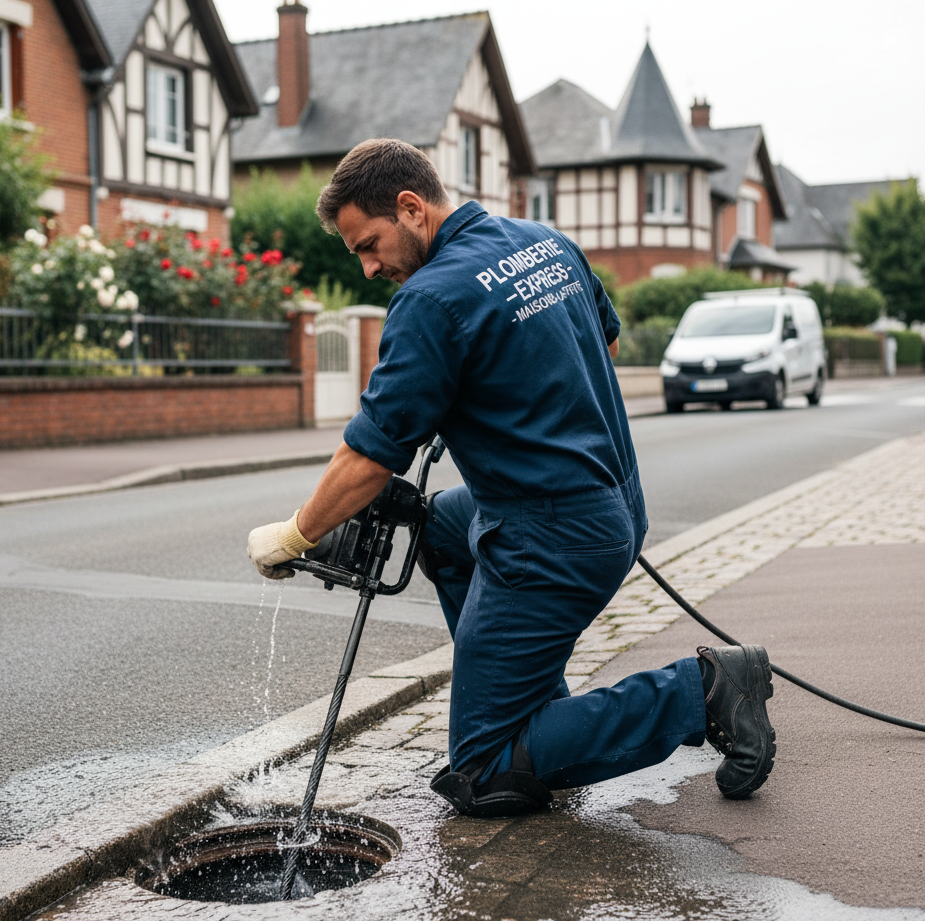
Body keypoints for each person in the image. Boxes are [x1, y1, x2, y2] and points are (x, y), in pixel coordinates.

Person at [247, 139, 775, 816]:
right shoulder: (545, 242)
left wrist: (295, 534)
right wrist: (481, 386)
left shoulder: (430, 300)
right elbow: (600, 337)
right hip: (615, 503)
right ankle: (529, 701)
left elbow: (370, 456)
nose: (370, 265)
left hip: (552, 534)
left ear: (412, 208)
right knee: (441, 525)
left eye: (369, 244)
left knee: (485, 768)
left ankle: (700, 692)